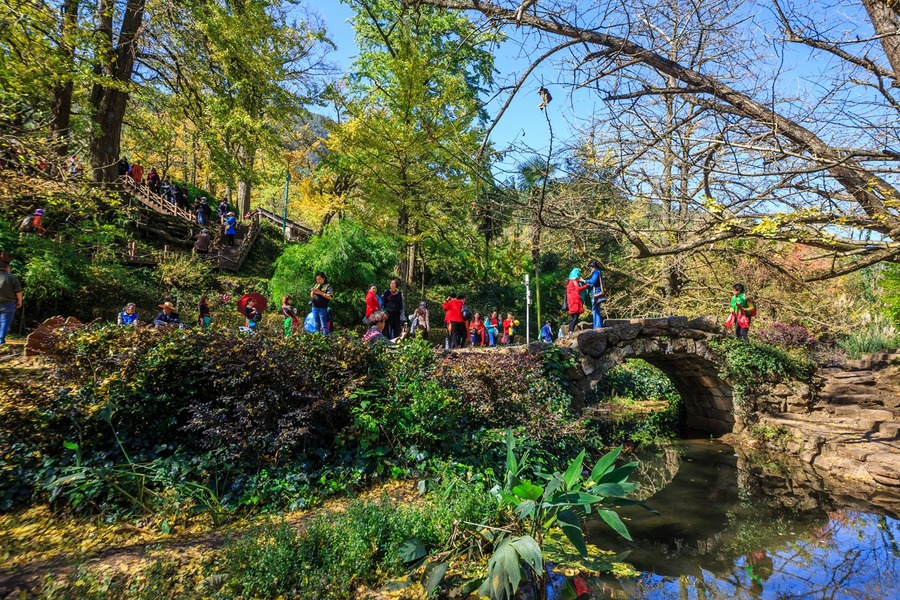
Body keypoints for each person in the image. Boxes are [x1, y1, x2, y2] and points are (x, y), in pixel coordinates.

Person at [0, 260, 23, 345]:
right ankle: (0, 340)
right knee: (4, 322)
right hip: (8, 303)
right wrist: (20, 301)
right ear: (7, 268)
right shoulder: (12, 277)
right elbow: (18, 291)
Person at [582, 259, 606, 329]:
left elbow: (593, 281)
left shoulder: (596, 272)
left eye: (590, 267)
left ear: (592, 266)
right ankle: (597, 326)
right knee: (596, 310)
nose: (590, 269)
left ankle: (597, 326)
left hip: (596, 293)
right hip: (597, 292)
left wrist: (584, 280)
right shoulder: (598, 272)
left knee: (595, 310)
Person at [565, 267, 589, 334]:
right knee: (576, 315)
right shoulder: (574, 281)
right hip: (575, 300)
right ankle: (571, 330)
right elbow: (577, 289)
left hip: (571, 300)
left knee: (573, 316)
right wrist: (586, 286)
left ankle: (570, 329)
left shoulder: (569, 282)